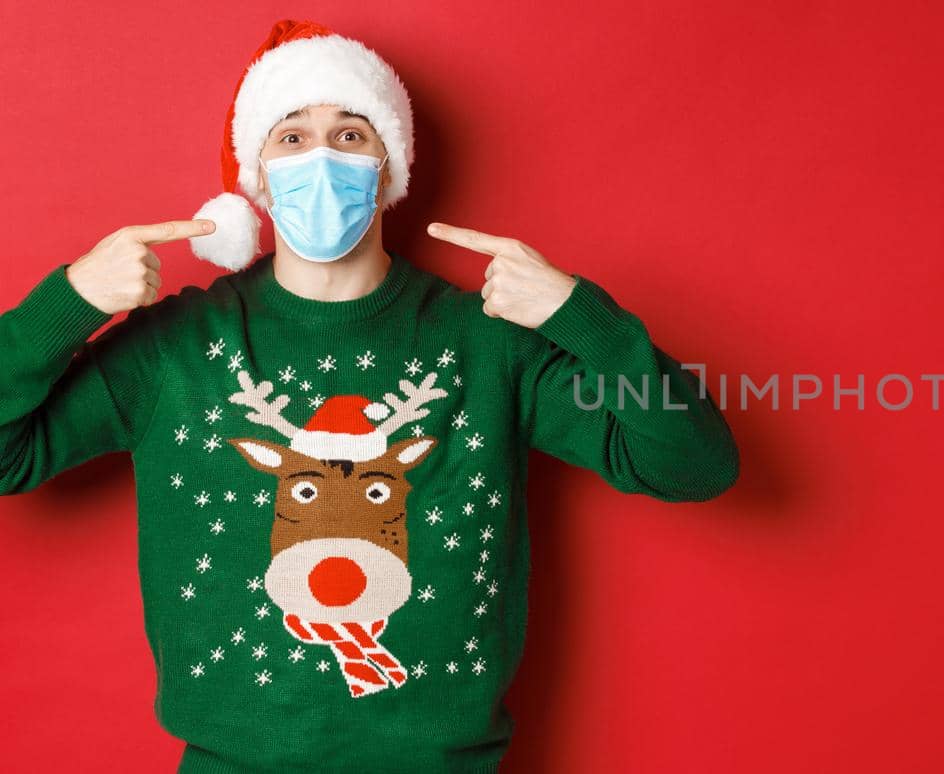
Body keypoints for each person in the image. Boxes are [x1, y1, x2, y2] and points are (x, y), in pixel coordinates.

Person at [0, 19, 738, 773]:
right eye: (291, 137)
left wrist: (580, 317)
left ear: (390, 168)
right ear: (255, 172)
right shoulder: (176, 348)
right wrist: (66, 306)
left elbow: (693, 464)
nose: (321, 157)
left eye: (351, 135)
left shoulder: (488, 343)